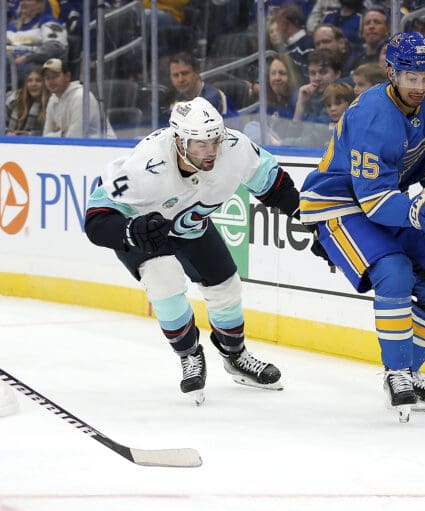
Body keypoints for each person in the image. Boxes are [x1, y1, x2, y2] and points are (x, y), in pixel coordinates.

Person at [84, 97, 307, 404]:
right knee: (165, 284)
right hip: (145, 228)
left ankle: (236, 356)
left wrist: (312, 223)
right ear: (179, 140)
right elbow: (95, 220)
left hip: (190, 224)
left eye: (214, 140)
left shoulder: (234, 148)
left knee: (227, 287)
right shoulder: (147, 164)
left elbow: (278, 188)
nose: (212, 150)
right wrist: (129, 231)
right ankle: (189, 355)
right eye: (201, 144)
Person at [300, 33, 425, 422]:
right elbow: (372, 200)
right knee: (394, 272)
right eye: (410, 77)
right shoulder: (374, 114)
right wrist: (417, 213)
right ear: (391, 72)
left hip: (388, 200)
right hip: (337, 203)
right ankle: (396, 374)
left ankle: (410, 372)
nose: (419, 87)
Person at [42, 58, 112, 138]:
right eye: (47, 78)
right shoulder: (53, 99)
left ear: (68, 76)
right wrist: (62, 134)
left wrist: (58, 134)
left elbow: (75, 138)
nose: (51, 81)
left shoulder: (81, 97)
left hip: (106, 147)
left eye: (55, 76)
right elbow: (45, 137)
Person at [168, 52, 239, 121]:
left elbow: (231, 127)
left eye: (185, 73)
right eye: (175, 75)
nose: (180, 80)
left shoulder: (214, 98)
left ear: (197, 72)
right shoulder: (176, 99)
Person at [6, 66, 49, 135]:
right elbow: (2, 123)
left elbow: (50, 133)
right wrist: (7, 133)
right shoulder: (14, 98)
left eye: (38, 80)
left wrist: (29, 134)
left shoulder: (51, 103)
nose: (33, 84)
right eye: (29, 80)